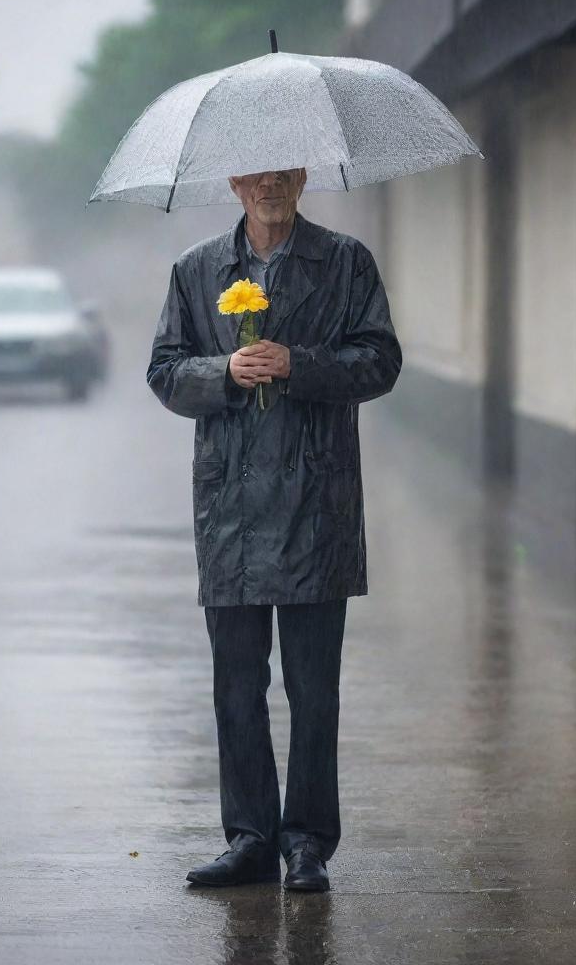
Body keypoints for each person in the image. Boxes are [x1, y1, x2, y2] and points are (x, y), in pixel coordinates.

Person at [147, 167, 401, 892]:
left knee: (314, 689)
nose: (270, 186)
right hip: (229, 513)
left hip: (316, 505)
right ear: (234, 184)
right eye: (256, 175)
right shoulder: (195, 271)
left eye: (284, 172)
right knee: (236, 686)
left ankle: (308, 841)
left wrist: (298, 363)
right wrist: (225, 370)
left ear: (302, 177)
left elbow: (381, 360)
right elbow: (165, 373)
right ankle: (251, 837)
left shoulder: (346, 262)